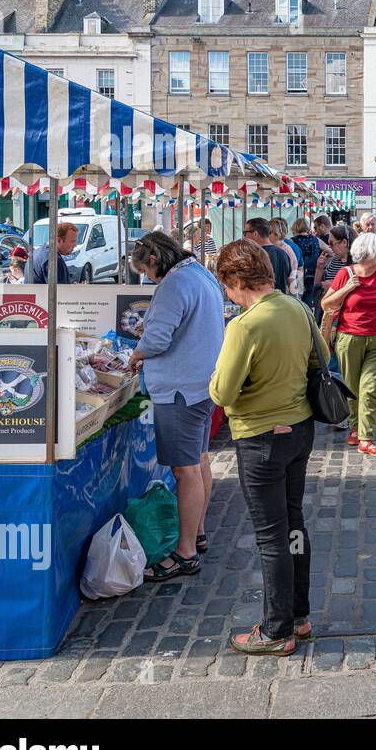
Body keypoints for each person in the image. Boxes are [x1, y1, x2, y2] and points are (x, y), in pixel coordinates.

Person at [210, 239, 323, 656]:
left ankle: (276, 630)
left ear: (237, 280)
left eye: (227, 286)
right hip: (299, 430)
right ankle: (299, 614)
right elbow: (321, 359)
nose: (228, 295)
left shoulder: (245, 324)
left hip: (260, 437)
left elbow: (222, 391)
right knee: (294, 524)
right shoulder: (297, 308)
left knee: (271, 537)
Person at [127, 233, 225, 580]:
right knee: (198, 462)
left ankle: (184, 553)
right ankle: (196, 533)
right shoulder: (199, 273)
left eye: (145, 271)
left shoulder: (173, 284)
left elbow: (156, 340)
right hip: (200, 384)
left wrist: (136, 354)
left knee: (185, 471)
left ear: (153, 261)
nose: (147, 278)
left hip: (180, 389)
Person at [320, 232, 376, 458]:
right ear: (365, 253)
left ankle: (366, 437)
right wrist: (347, 289)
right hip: (350, 338)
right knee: (353, 389)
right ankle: (355, 428)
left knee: (371, 388)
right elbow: (325, 303)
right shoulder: (345, 274)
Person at [242, 217, 290, 293]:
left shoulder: (255, 255)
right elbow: (288, 279)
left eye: (245, 233)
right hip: (280, 300)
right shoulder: (283, 253)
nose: (244, 237)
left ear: (255, 233)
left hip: (263, 301)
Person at [290, 217, 327, 307]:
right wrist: (323, 262)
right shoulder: (316, 240)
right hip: (314, 275)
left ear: (295, 227)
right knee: (310, 302)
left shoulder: (292, 241)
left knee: (297, 303)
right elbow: (330, 252)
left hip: (298, 276)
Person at [269, 218, 304, 297]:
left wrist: (296, 298)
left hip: (284, 293)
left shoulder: (287, 251)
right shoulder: (270, 248)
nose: (266, 235)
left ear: (276, 234)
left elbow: (292, 276)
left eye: (269, 232)